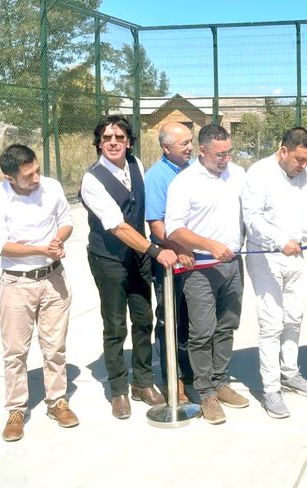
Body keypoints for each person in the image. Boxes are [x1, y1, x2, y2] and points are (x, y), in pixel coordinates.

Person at [241, 127, 307, 419]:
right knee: (271, 322)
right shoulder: (259, 173)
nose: (303, 165)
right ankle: (271, 388)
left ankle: (290, 372)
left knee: (294, 317)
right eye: (299, 159)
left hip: (296, 255)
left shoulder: (306, 176)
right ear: (283, 150)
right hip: (266, 257)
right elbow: (252, 218)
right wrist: (279, 241)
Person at [80, 115, 181, 419]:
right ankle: (119, 390)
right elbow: (117, 226)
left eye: (119, 138)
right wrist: (155, 250)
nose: (113, 143)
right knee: (115, 326)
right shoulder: (92, 179)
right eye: (107, 138)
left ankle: (143, 382)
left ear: (129, 142)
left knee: (143, 320)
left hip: (138, 258)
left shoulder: (136, 164)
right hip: (109, 260)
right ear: (99, 143)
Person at [0, 144, 78, 442]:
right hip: (16, 284)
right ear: (10, 178)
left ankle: (57, 401)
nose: (36, 178)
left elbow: (66, 221)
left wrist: (58, 240)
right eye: (28, 175)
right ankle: (16, 410)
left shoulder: (51, 187)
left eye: (37, 170)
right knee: (15, 352)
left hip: (54, 279)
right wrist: (40, 248)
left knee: (55, 347)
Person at [165, 125, 249, 424]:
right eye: (220, 154)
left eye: (229, 152)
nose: (226, 159)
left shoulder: (238, 174)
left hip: (232, 266)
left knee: (226, 327)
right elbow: (173, 228)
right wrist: (207, 245)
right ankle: (206, 393)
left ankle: (221, 381)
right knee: (201, 332)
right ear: (202, 150)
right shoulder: (185, 183)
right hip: (199, 269)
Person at [145, 121, 195, 403]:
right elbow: (156, 225)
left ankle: (190, 375)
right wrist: (180, 247)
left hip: (196, 259)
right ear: (166, 147)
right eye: (183, 143)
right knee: (170, 322)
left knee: (190, 321)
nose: (190, 147)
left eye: (191, 141)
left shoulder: (193, 172)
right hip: (172, 261)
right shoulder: (158, 177)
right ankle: (172, 381)